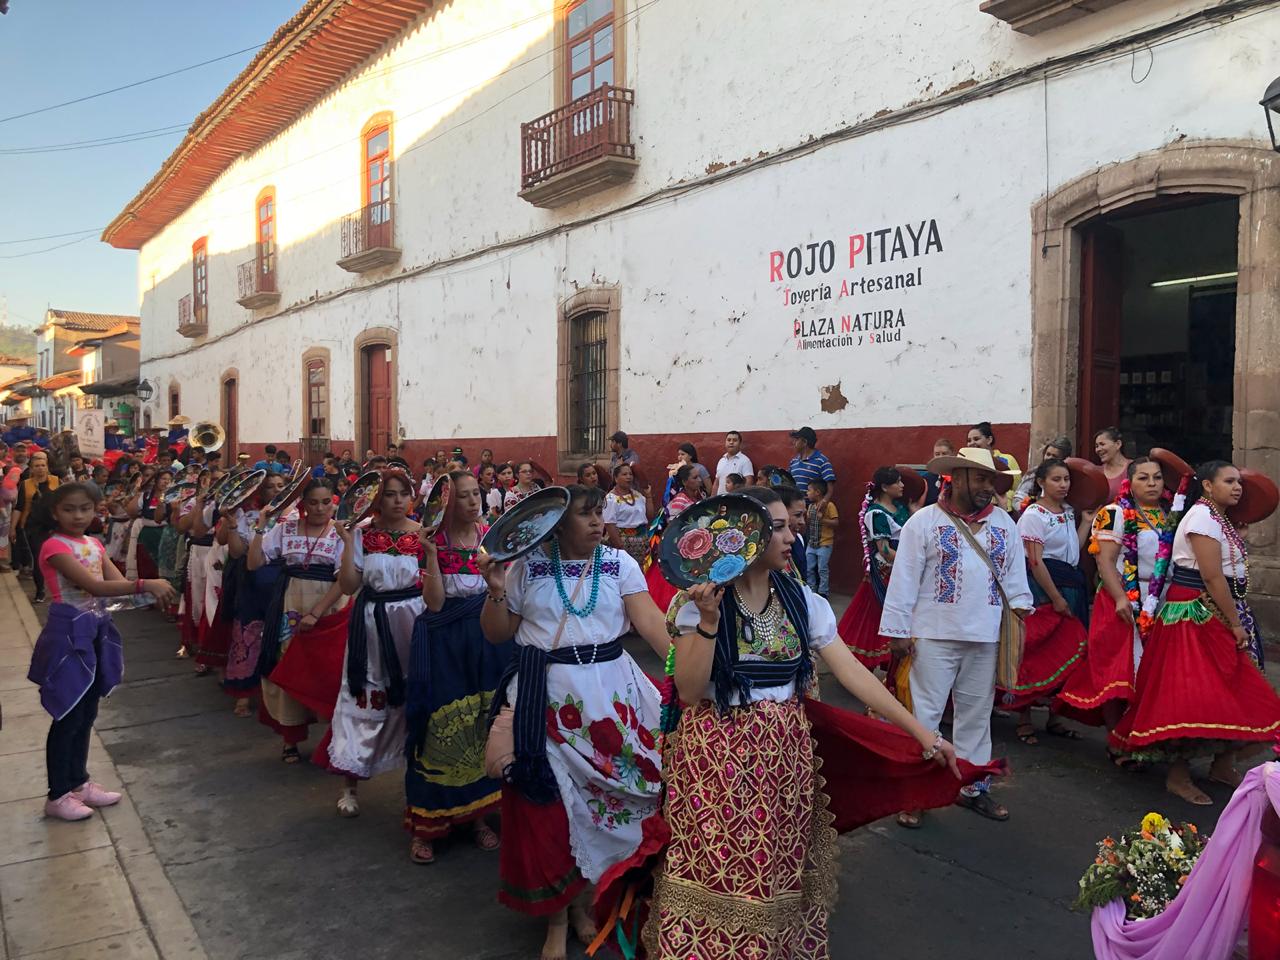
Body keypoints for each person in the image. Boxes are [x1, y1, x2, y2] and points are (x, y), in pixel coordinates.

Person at [645, 485, 963, 957]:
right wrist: (709, 618)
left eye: (790, 525)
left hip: (785, 761)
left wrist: (922, 733)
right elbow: (691, 693)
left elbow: (852, 671)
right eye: (777, 528)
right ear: (743, 538)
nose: (792, 536)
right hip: (717, 761)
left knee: (775, 869)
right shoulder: (699, 605)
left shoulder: (803, 601)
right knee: (723, 871)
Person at [477, 484, 673, 960]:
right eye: (585, 514)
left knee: (613, 800)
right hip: (544, 700)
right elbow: (498, 633)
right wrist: (496, 592)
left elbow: (652, 625)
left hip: (610, 698)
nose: (596, 521)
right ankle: (557, 919)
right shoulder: (527, 566)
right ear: (556, 523)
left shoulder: (620, 565)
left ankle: (587, 903)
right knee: (550, 811)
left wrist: (692, 672)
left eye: (598, 512)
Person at [1109, 460, 1280, 805]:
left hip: (1215, 606)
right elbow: (1213, 576)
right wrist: (1234, 621)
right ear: (1207, 486)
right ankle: (1178, 775)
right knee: (1191, 695)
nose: (1237, 488)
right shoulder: (1202, 518)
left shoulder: (1219, 519)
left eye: (1239, 483)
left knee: (1234, 686)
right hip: (1194, 610)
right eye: (1229, 481)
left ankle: (1222, 763)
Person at [880, 446, 1032, 826]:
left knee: (977, 717)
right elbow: (904, 580)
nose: (988, 486)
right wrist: (898, 631)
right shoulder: (924, 523)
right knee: (925, 714)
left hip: (985, 635)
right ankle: (917, 793)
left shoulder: (1004, 524)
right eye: (980, 478)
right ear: (957, 477)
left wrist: (1019, 617)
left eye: (991, 480)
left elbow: (1015, 579)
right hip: (932, 634)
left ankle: (972, 788)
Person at [27, 483, 177, 820]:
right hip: (68, 635)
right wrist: (146, 585)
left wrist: (149, 594)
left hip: (95, 630)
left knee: (87, 712)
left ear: (97, 510)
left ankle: (78, 783)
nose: (78, 515)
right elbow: (94, 586)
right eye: (69, 509)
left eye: (85, 508)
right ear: (55, 512)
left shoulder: (93, 544)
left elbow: (114, 586)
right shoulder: (54, 546)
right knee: (67, 714)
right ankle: (57, 794)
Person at [404, 471, 513, 863]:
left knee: (483, 723)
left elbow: (505, 590)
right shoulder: (434, 543)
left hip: (486, 643)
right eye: (464, 497)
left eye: (476, 495)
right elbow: (433, 605)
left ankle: (479, 816)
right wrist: (431, 556)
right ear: (447, 503)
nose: (472, 503)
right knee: (439, 727)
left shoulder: (492, 539)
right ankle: (428, 824)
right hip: (445, 646)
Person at [325, 468, 426, 817]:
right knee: (366, 697)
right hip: (372, 623)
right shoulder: (363, 533)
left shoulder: (425, 533)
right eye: (389, 494)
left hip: (414, 622)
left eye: (403, 494)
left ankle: (417, 786)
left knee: (415, 700)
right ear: (376, 498)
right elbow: (350, 586)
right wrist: (348, 541)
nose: (397, 501)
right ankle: (349, 783)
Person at [1057, 456, 1173, 742]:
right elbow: (1105, 562)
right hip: (1120, 598)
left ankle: (1144, 734)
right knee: (1117, 669)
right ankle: (1116, 737)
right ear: (1129, 483)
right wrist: (1121, 598)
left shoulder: (1172, 514)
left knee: (1153, 670)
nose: (1152, 483)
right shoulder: (1114, 513)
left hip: (1162, 598)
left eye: (1157, 477)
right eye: (1143, 478)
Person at [248, 479, 349, 763]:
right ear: (303, 504)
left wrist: (317, 612)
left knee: (330, 672)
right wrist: (260, 526)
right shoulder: (284, 529)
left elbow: (344, 580)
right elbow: (254, 563)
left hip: (329, 610)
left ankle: (336, 739)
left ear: (334, 503)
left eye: (326, 502)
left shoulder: (342, 534)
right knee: (290, 667)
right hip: (290, 606)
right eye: (313, 502)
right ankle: (290, 739)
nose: (320, 508)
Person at [1001, 459, 1093, 744]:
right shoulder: (1034, 515)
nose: (1063, 485)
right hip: (1044, 588)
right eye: (1056, 479)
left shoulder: (1067, 512)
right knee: (1037, 650)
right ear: (1041, 482)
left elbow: (1073, 551)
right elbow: (1035, 561)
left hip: (1071, 584)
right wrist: (1054, 598)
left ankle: (1055, 717)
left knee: (1067, 652)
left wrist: (1087, 523)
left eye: (1066, 479)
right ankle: (1024, 718)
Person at [222, 472, 287, 718]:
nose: (276, 490)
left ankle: (279, 696)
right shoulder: (247, 517)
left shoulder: (293, 517)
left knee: (280, 635)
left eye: (281, 486)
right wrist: (230, 524)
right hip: (252, 579)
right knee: (248, 633)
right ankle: (244, 693)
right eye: (270, 487)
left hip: (282, 581)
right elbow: (237, 552)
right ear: (261, 491)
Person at [838, 467, 912, 668]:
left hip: (901, 564)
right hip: (887, 569)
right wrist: (912, 563)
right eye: (897, 482)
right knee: (880, 614)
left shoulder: (900, 506)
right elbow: (885, 550)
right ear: (886, 487)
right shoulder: (877, 513)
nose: (902, 485)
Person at [14, 450, 60, 602]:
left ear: (47, 467)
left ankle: (59, 589)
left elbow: (63, 502)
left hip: (54, 525)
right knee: (39, 559)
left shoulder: (56, 481)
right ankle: (40, 591)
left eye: (43, 465)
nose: (40, 468)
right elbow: (19, 507)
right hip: (33, 527)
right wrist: (13, 528)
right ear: (31, 469)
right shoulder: (25, 485)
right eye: (37, 466)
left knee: (58, 558)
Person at [965, 422, 1022, 511]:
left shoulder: (1007, 460)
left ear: (989, 440)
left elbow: (1017, 489)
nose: (972, 443)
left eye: (976, 439)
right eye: (969, 440)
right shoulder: (965, 463)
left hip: (1004, 509)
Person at [602, 463, 650, 565]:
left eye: (630, 474)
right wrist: (620, 547)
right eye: (624, 474)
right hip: (623, 542)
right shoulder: (611, 498)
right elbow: (610, 524)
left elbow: (649, 516)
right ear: (616, 478)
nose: (628, 477)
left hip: (641, 541)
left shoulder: (637, 495)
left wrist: (648, 495)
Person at [1013, 436, 1073, 514]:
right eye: (1048, 454)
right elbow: (1017, 499)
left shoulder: (1071, 475)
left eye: (1054, 456)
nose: (1049, 458)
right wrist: (1032, 511)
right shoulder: (1034, 473)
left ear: (1065, 459)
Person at [788, 427, 836, 513]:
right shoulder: (793, 462)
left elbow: (830, 487)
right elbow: (788, 482)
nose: (793, 443)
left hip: (814, 509)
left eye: (796, 440)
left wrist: (824, 501)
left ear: (804, 442)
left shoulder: (822, 461)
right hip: (796, 508)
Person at [804, 477, 839, 597]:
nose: (807, 493)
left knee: (822, 569)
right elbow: (809, 523)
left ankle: (823, 592)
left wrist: (822, 519)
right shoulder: (811, 507)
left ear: (817, 492)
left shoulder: (829, 506)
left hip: (824, 543)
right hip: (812, 543)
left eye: (809, 491)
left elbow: (836, 523)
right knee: (809, 568)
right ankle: (811, 590)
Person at [1095, 426, 1132, 502]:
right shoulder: (1097, 472)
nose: (1098, 449)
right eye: (1096, 446)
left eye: (1102, 444)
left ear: (1118, 444)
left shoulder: (1134, 468)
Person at [712, 430, 753, 495]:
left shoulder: (745, 461)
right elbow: (716, 483)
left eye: (735, 440)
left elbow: (748, 482)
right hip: (720, 500)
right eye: (729, 440)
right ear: (725, 442)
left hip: (735, 501)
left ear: (740, 443)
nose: (731, 442)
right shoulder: (721, 460)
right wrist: (712, 499)